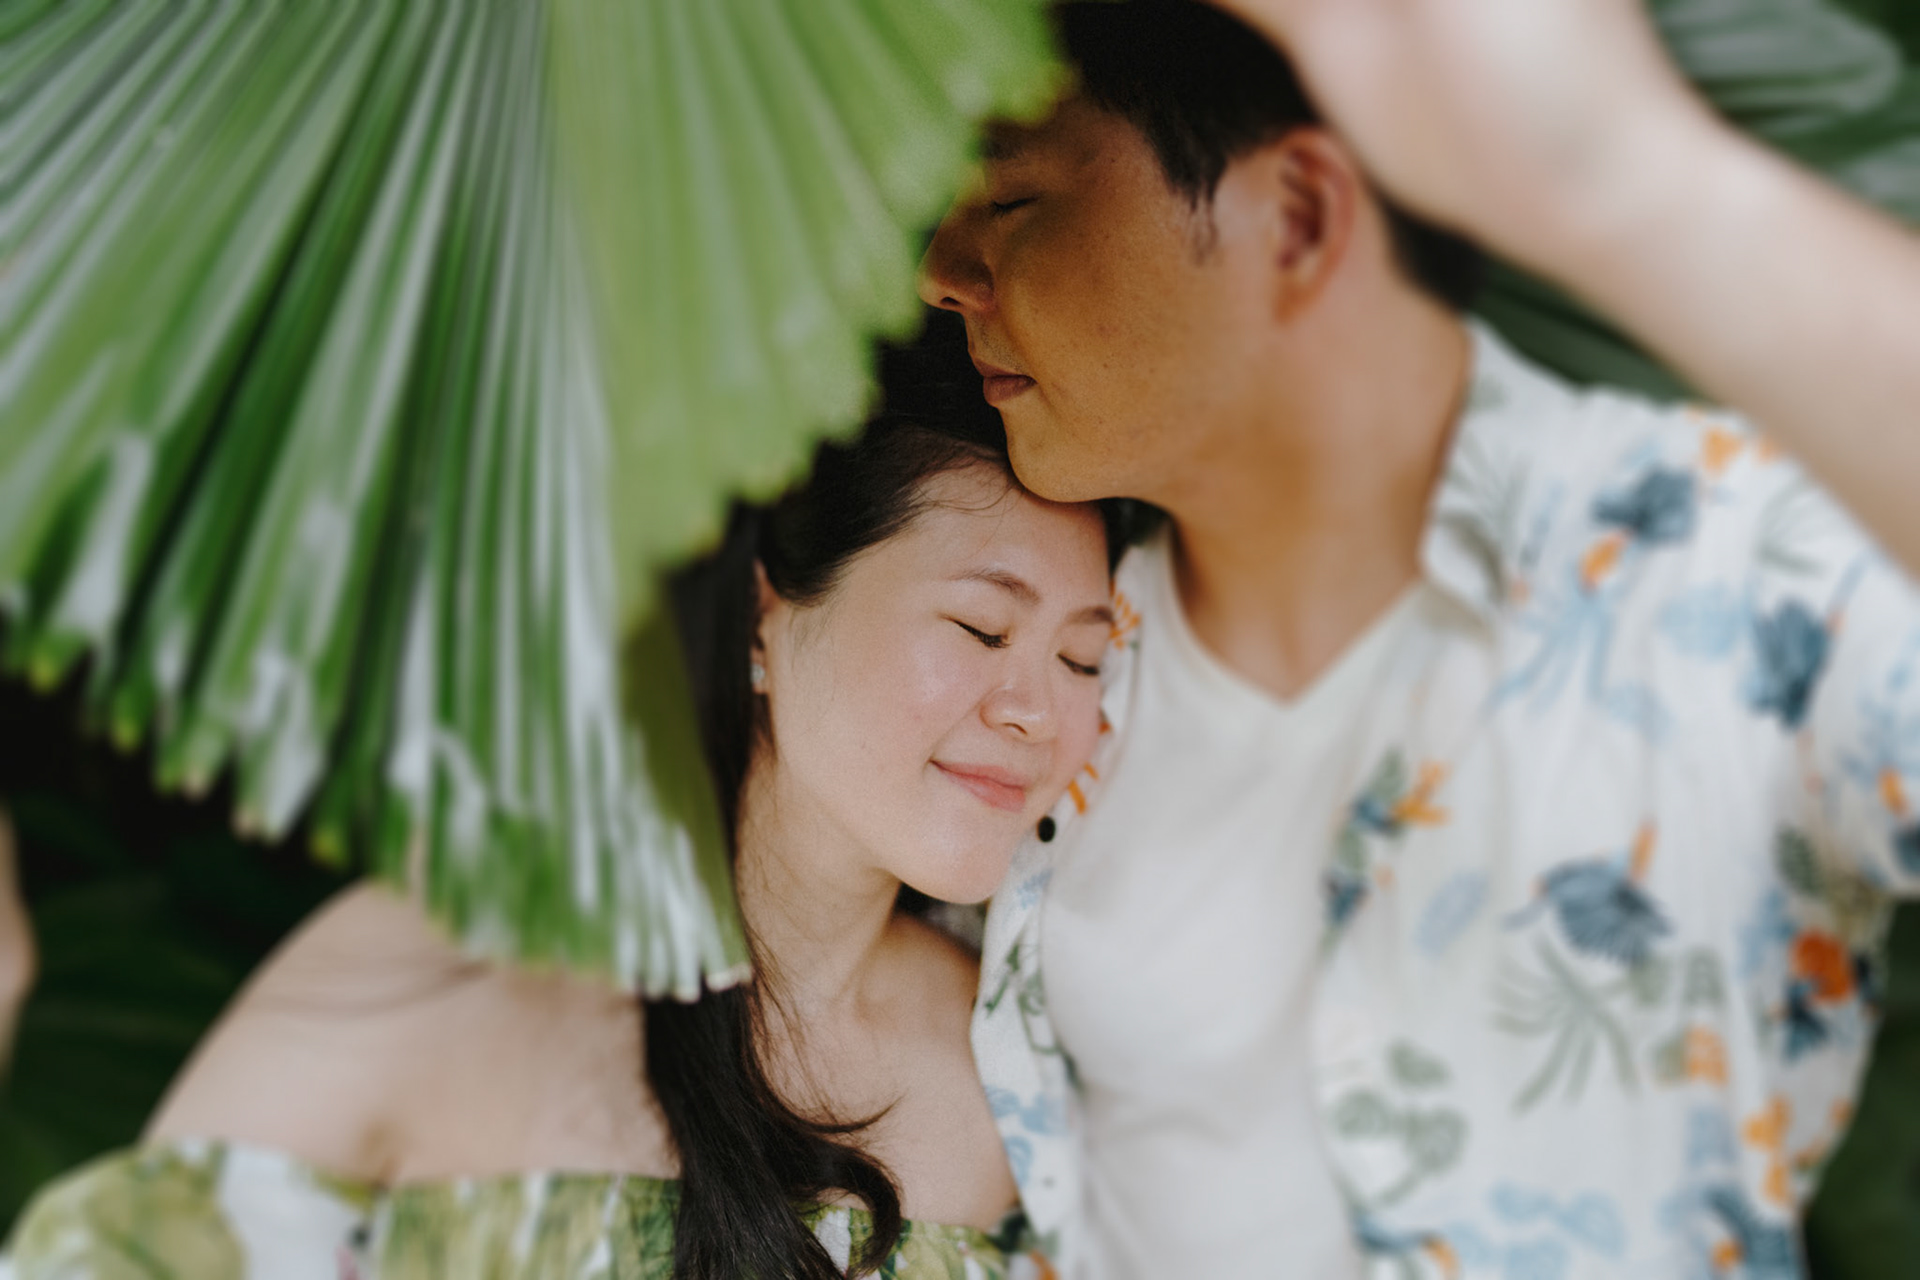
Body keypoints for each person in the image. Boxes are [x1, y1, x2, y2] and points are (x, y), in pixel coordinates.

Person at [926, 1, 1920, 1275]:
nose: (938, 270)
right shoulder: (1039, 649)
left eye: (1011, 200)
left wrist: (1630, 175)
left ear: (1296, 220)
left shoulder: (1702, 560)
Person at [3, 342, 1122, 1280]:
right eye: (983, 629)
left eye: (1082, 658)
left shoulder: (1015, 1054)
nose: (1037, 711)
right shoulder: (452, 964)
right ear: (761, 616)